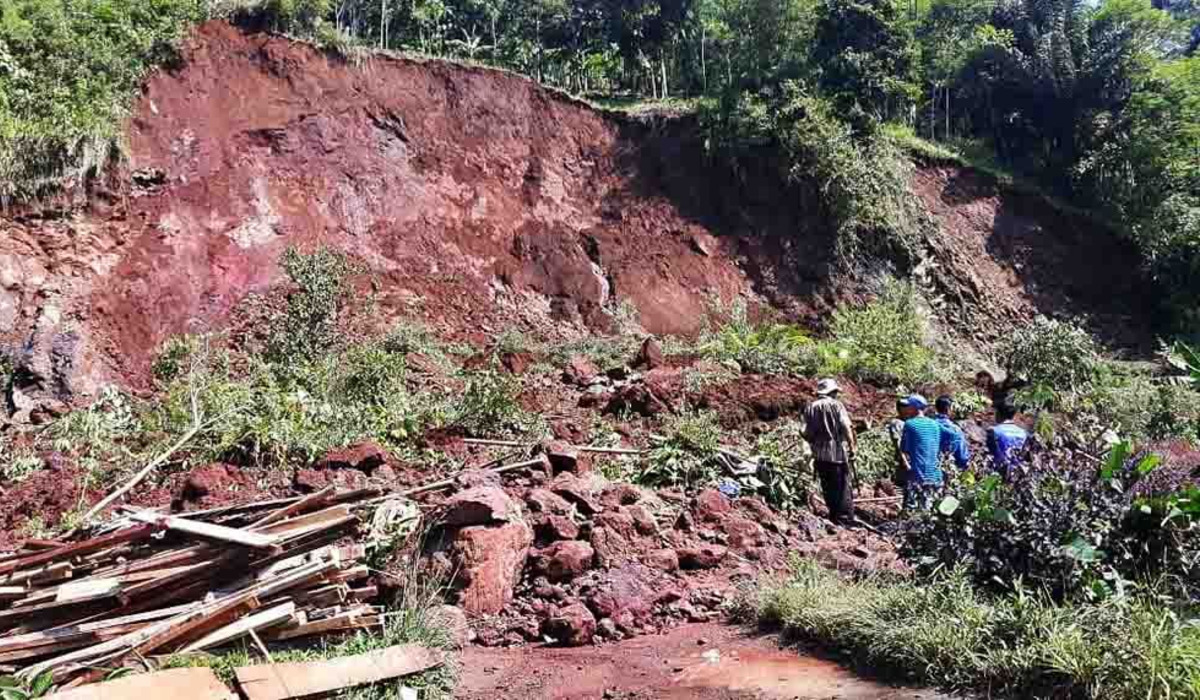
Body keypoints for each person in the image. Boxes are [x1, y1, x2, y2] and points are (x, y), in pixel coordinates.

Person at [803, 378, 857, 525]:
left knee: (827, 486)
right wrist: (852, 447)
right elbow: (846, 426)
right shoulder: (836, 405)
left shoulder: (810, 407)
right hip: (837, 452)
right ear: (832, 392)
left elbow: (806, 432)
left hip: (819, 454)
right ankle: (845, 519)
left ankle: (834, 515)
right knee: (842, 486)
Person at [899, 394, 943, 511]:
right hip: (935, 474)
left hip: (918, 474)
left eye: (908, 406)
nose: (905, 408)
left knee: (915, 509)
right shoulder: (935, 424)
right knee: (931, 509)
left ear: (914, 408)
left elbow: (904, 449)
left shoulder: (910, 424)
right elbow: (937, 448)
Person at [987, 400, 1028, 479]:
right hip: (1018, 474)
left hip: (997, 473)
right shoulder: (1023, 433)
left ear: (999, 414)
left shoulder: (993, 431)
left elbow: (990, 452)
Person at [934, 394, 970, 472]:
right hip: (946, 468)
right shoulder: (955, 430)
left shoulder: (928, 425)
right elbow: (962, 457)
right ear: (948, 409)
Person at [886, 398, 915, 489]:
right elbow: (898, 444)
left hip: (915, 458)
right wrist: (905, 462)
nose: (908, 409)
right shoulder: (896, 423)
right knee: (907, 487)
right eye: (905, 407)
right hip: (905, 459)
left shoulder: (910, 422)